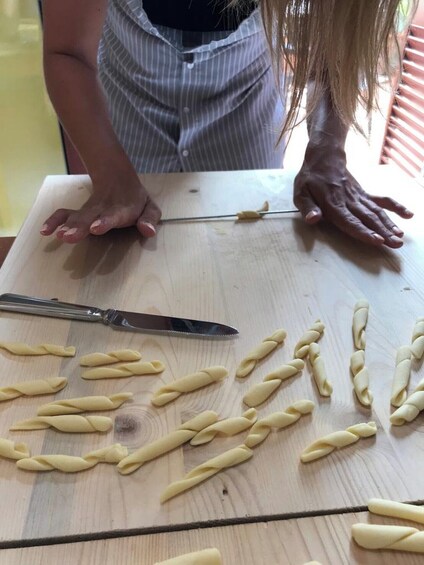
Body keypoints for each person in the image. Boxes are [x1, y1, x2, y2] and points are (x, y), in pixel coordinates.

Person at [40, 0, 415, 248]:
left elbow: (334, 49)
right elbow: (68, 50)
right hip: (127, 135)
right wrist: (111, 176)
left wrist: (327, 148)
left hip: (246, 126)